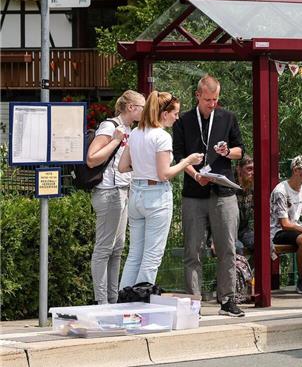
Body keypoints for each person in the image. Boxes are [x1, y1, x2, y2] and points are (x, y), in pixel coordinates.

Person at [172, 75, 246, 317]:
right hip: (194, 193)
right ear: (198, 96)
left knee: (227, 248)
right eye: (207, 100)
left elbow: (240, 151)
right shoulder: (183, 121)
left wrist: (227, 152)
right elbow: (179, 156)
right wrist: (194, 175)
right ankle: (194, 302)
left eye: (215, 99)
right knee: (193, 250)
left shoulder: (227, 117)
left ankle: (228, 299)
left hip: (223, 191)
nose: (212, 104)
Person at [118, 92, 203, 289]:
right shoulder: (162, 137)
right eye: (175, 113)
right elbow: (164, 174)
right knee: (151, 256)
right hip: (156, 196)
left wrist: (142, 166)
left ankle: (122, 303)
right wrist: (187, 161)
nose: (177, 117)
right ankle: (139, 305)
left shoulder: (136, 133)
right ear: (164, 114)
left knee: (134, 254)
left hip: (136, 193)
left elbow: (122, 167)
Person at [86, 90, 145, 304]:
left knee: (117, 248)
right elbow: (92, 159)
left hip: (122, 191)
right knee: (103, 248)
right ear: (131, 108)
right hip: (107, 192)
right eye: (142, 108)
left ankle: (112, 299)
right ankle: (101, 301)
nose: (144, 112)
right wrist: (116, 141)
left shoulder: (130, 128)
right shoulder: (110, 126)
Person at [270, 155, 302, 296]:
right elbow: (285, 224)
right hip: (277, 230)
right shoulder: (281, 191)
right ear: (295, 171)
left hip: (296, 227)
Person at [234, 155, 255, 253]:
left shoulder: (253, 188)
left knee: (266, 245)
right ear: (239, 170)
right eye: (249, 169)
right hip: (227, 231)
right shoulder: (229, 186)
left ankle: (249, 269)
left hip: (244, 230)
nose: (253, 172)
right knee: (238, 249)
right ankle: (242, 268)